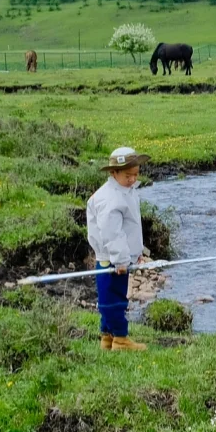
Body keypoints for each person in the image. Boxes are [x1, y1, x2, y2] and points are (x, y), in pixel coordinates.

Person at [87, 146, 151, 351]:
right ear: (113, 173)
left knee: (113, 293)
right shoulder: (109, 199)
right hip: (111, 258)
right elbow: (112, 233)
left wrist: (136, 252)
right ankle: (121, 339)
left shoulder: (125, 191)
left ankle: (107, 336)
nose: (133, 179)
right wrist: (121, 259)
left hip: (120, 256)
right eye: (127, 175)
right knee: (113, 298)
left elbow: (130, 228)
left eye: (135, 174)